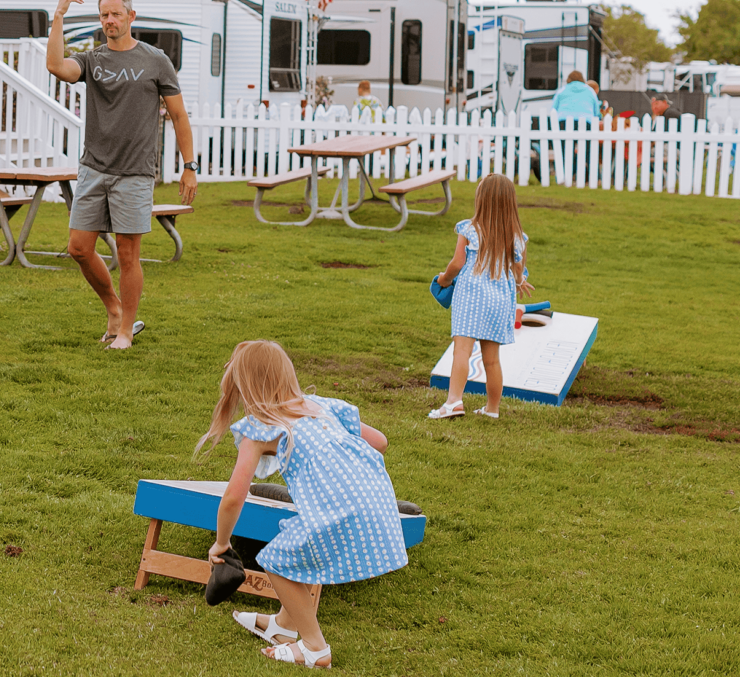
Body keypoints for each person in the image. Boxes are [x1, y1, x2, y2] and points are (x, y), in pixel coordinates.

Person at [198, 340, 407, 669]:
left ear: (245, 385)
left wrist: (221, 543)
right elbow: (379, 441)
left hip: (345, 511)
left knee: (277, 560)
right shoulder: (321, 405)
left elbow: (235, 496)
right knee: (295, 536)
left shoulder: (259, 428)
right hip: (380, 500)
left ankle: (314, 648)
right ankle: (284, 626)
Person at [46, 0, 198, 350]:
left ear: (131, 17)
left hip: (135, 171)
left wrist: (189, 166)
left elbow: (178, 116)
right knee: (79, 248)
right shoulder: (93, 60)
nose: (109, 21)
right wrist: (59, 15)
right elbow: (56, 67)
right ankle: (114, 309)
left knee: (129, 254)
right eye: (104, 15)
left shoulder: (156, 60)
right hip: (94, 169)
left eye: (115, 14)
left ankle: (126, 330)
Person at [428, 174, 532, 420]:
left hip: (471, 297)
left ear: (481, 200)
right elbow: (518, 271)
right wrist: (520, 283)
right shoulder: (517, 236)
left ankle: (454, 402)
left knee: (462, 352)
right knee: (492, 360)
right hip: (500, 301)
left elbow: (457, 263)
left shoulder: (469, 229)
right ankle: (492, 409)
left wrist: (443, 279)